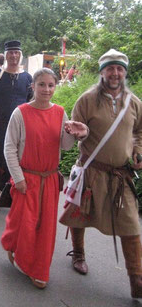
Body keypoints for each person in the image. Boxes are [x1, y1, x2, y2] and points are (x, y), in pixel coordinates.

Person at [59, 49, 142, 299]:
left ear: (124, 72)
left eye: (119, 68)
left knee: (131, 225)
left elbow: (139, 132)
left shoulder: (135, 102)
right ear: (102, 72)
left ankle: (136, 278)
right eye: (110, 68)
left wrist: (138, 151)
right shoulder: (86, 100)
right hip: (91, 172)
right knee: (78, 215)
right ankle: (79, 253)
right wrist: (81, 133)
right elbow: (74, 132)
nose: (115, 73)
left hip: (120, 177)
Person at [1, 68, 88, 288]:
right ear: (33, 87)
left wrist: (75, 135)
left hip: (49, 179)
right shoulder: (20, 112)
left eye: (51, 85)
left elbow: (65, 146)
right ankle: (22, 258)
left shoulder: (60, 112)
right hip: (27, 179)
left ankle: (38, 268)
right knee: (26, 223)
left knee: (46, 227)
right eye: (42, 85)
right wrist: (18, 178)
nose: (46, 89)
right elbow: (9, 148)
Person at [0, 40, 33, 205]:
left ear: (20, 55)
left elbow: (31, 101)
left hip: (20, 127)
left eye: (17, 52)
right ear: (6, 55)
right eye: (11, 53)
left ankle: (12, 190)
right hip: (0, 125)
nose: (14, 56)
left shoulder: (27, 77)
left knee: (18, 158)